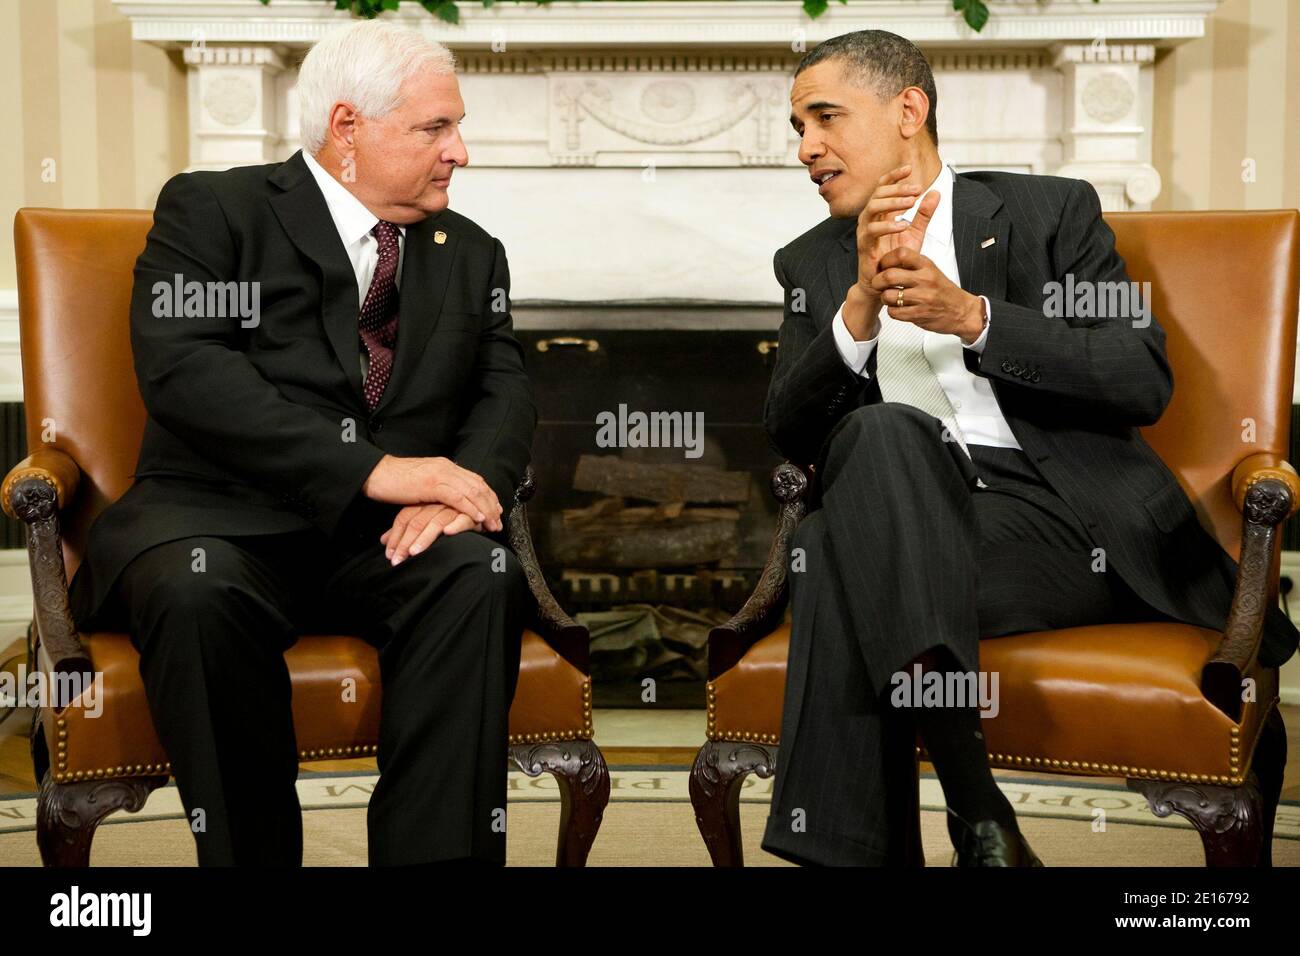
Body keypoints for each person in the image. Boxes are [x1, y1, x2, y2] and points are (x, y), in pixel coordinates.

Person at [759, 29, 1298, 867]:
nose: (806, 148)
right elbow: (789, 432)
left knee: (834, 550)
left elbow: (1139, 375)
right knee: (875, 448)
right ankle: (983, 823)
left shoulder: (1049, 215)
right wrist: (859, 308)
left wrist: (976, 318)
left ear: (909, 109)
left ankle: (925, 835)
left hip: (1067, 529)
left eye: (824, 117)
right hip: (921, 522)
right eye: (797, 128)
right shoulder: (810, 263)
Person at [68, 19, 536, 866]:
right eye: (436, 127)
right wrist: (377, 469)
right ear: (348, 127)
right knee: (195, 595)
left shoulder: (469, 251)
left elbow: (504, 391)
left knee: (480, 577)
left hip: (387, 540)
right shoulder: (214, 209)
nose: (459, 151)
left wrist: (467, 494)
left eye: (455, 126)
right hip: (219, 524)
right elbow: (185, 371)